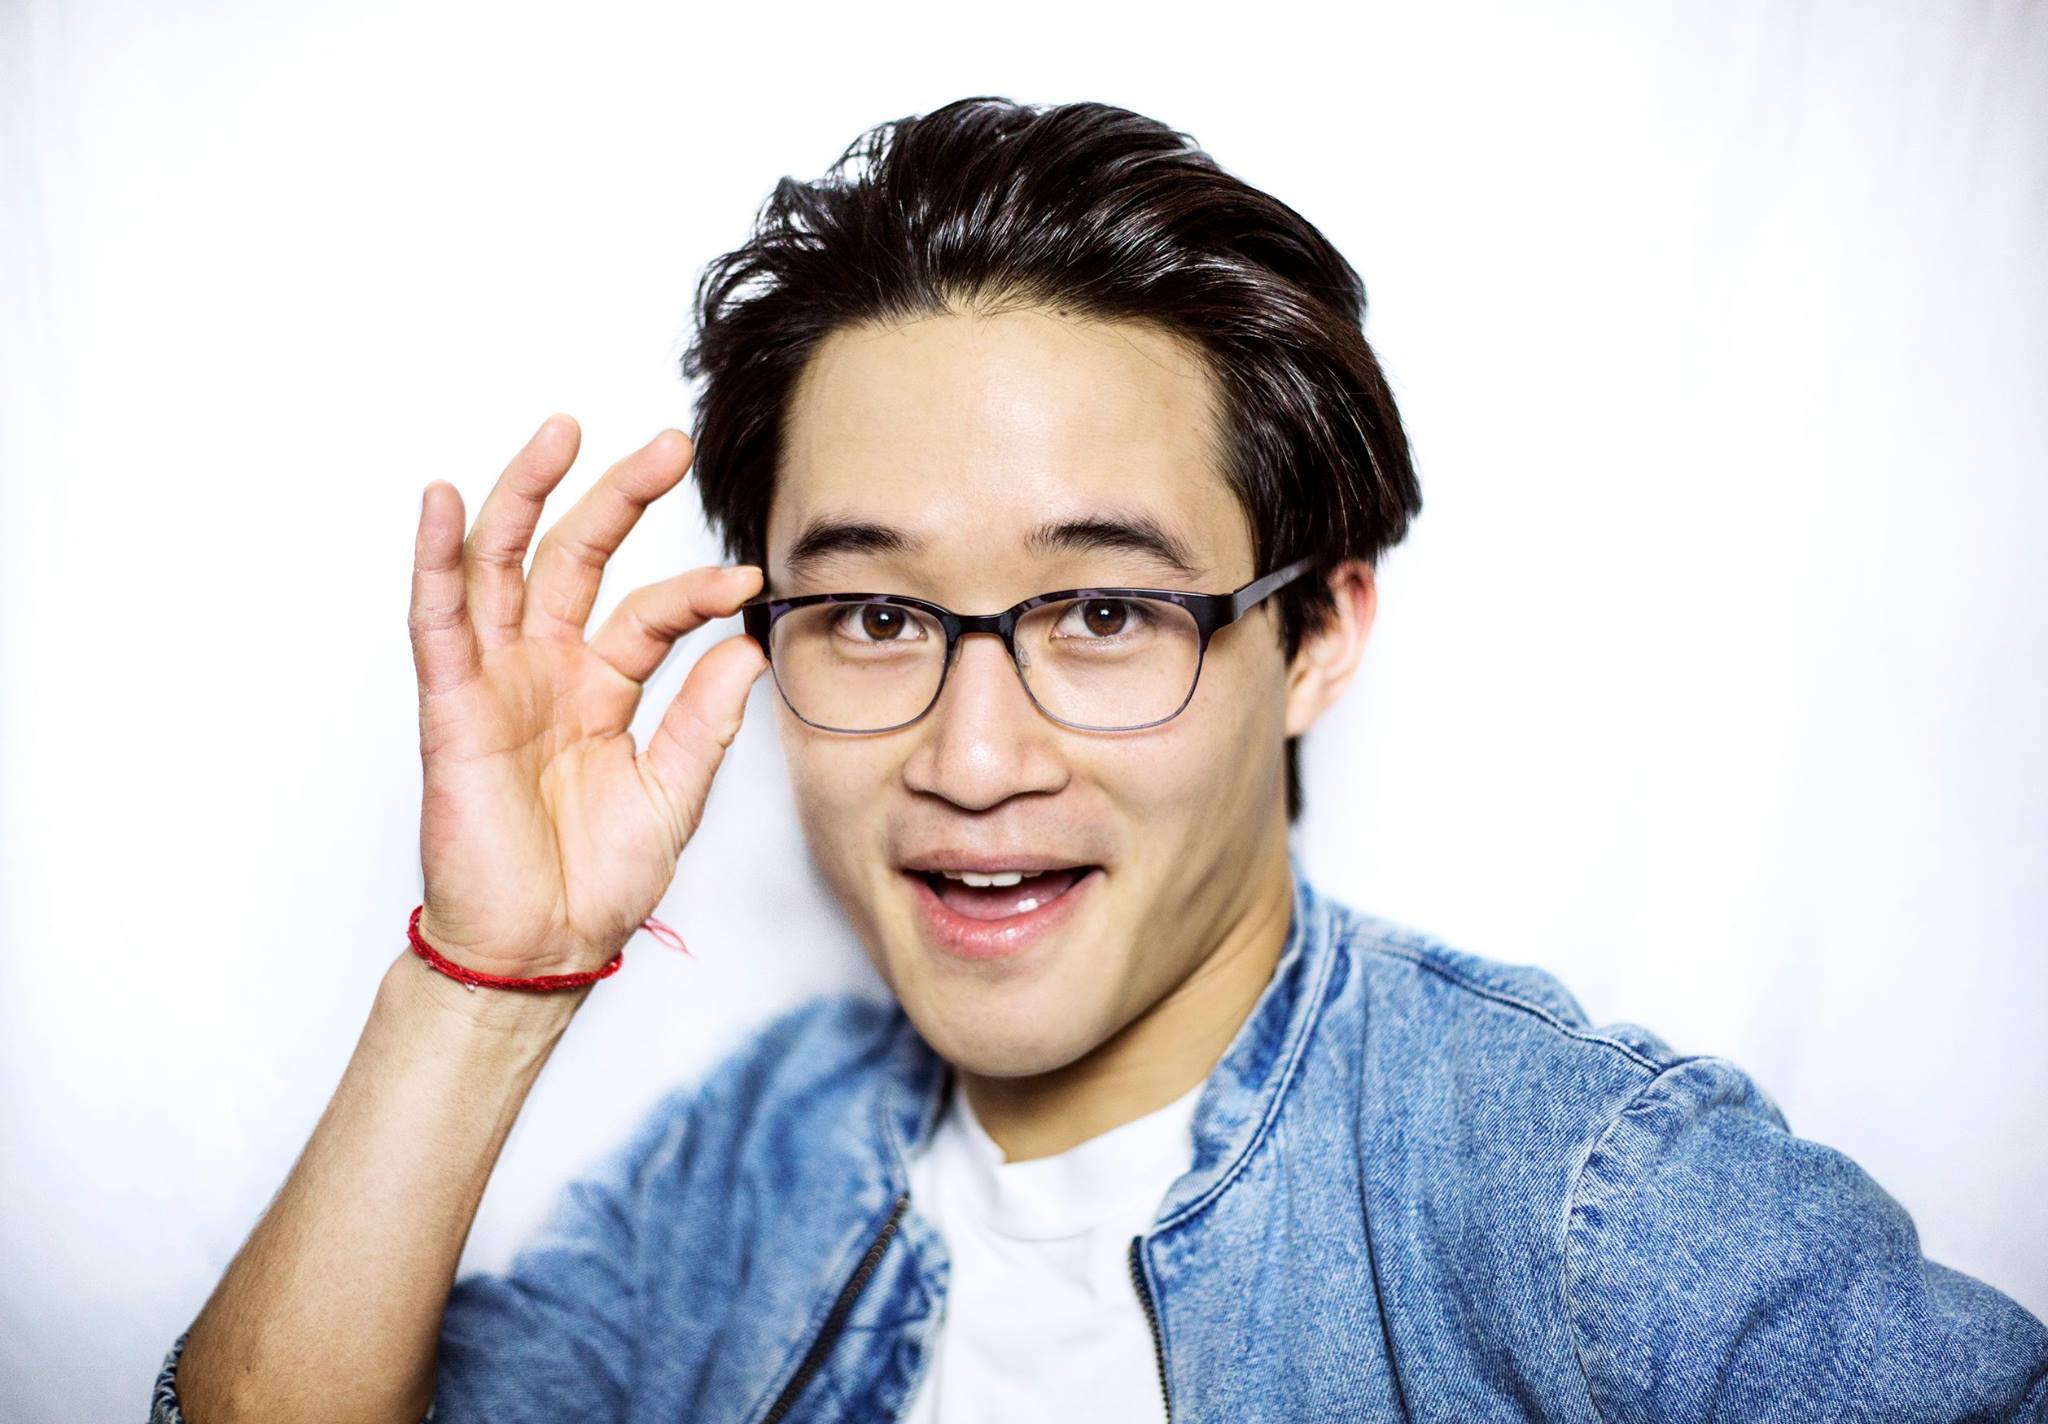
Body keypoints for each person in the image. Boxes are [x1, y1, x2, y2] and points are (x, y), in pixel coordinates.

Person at [152, 96, 2047, 1424]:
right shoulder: (756, 1160)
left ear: (1317, 637)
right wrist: (487, 978)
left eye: (1106, 613)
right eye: (873, 616)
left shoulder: (1585, 1194)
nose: (974, 758)